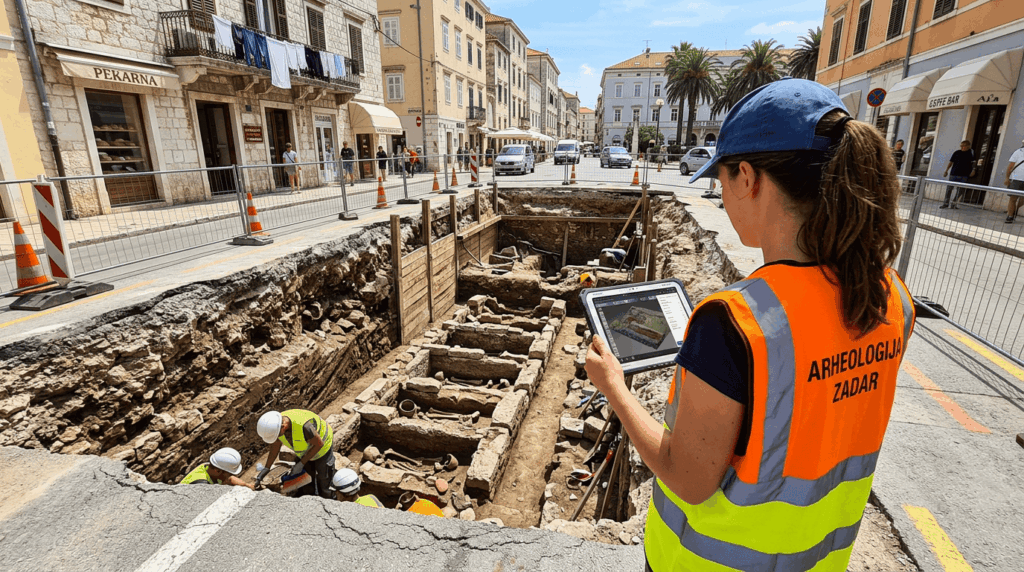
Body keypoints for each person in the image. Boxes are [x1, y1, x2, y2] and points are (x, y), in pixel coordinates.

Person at [584, 78, 915, 572]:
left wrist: (614, 388)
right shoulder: (892, 298)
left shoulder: (734, 323)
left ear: (748, 177)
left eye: (720, 178)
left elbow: (689, 478)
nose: (720, 192)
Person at [256, 410, 336, 499]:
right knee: (307, 479)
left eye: (277, 435)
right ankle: (311, 497)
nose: (278, 437)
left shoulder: (304, 426)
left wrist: (301, 463)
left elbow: (319, 444)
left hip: (322, 448)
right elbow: (275, 445)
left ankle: (329, 499)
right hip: (305, 450)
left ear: (283, 427)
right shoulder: (275, 424)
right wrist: (267, 467)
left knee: (324, 479)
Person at [180, 448, 253, 489]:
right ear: (217, 471)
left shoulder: (207, 466)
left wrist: (246, 485)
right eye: (229, 473)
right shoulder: (201, 485)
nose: (230, 476)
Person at [940, 140, 976, 209]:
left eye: (964, 146)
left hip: (964, 175)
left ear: (968, 146)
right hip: (954, 174)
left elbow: (974, 162)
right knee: (949, 189)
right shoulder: (956, 153)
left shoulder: (971, 153)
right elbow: (951, 162)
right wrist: (946, 170)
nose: (962, 147)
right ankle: (946, 203)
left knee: (960, 191)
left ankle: (954, 203)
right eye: (961, 146)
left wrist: (973, 170)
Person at [1003, 139, 1024, 223]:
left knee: (1022, 199)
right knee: (1013, 198)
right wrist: (1007, 178)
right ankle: (1010, 216)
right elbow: (1010, 166)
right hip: (1016, 178)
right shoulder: (1018, 152)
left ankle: (1014, 210)